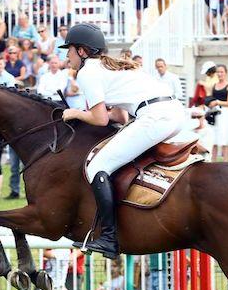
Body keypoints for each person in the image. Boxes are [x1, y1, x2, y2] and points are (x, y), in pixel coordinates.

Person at [59, 23, 187, 259]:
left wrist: (75, 113)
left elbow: (99, 119)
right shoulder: (109, 67)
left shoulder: (87, 72)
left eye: (70, 50)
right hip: (175, 113)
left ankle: (109, 238)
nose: (66, 55)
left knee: (97, 165)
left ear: (82, 52)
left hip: (156, 117)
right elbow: (119, 116)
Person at [203, 63, 228, 162]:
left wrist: (217, 102)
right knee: (214, 139)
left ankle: (225, 162)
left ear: (226, 73)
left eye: (222, 72)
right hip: (214, 114)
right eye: (218, 72)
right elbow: (210, 98)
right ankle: (213, 162)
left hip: (224, 114)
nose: (220, 74)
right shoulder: (214, 86)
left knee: (225, 138)